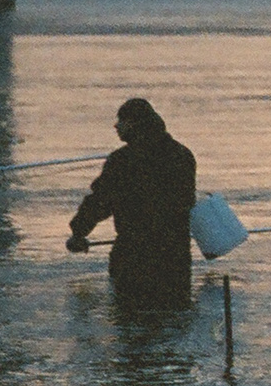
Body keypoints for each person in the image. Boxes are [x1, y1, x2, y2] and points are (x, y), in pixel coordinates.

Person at [65, 98, 197, 308]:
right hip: (175, 258)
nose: (116, 125)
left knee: (131, 325)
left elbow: (100, 202)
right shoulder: (182, 155)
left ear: (135, 124)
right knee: (174, 320)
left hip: (133, 258)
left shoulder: (122, 161)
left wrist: (78, 232)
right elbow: (186, 203)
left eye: (122, 120)